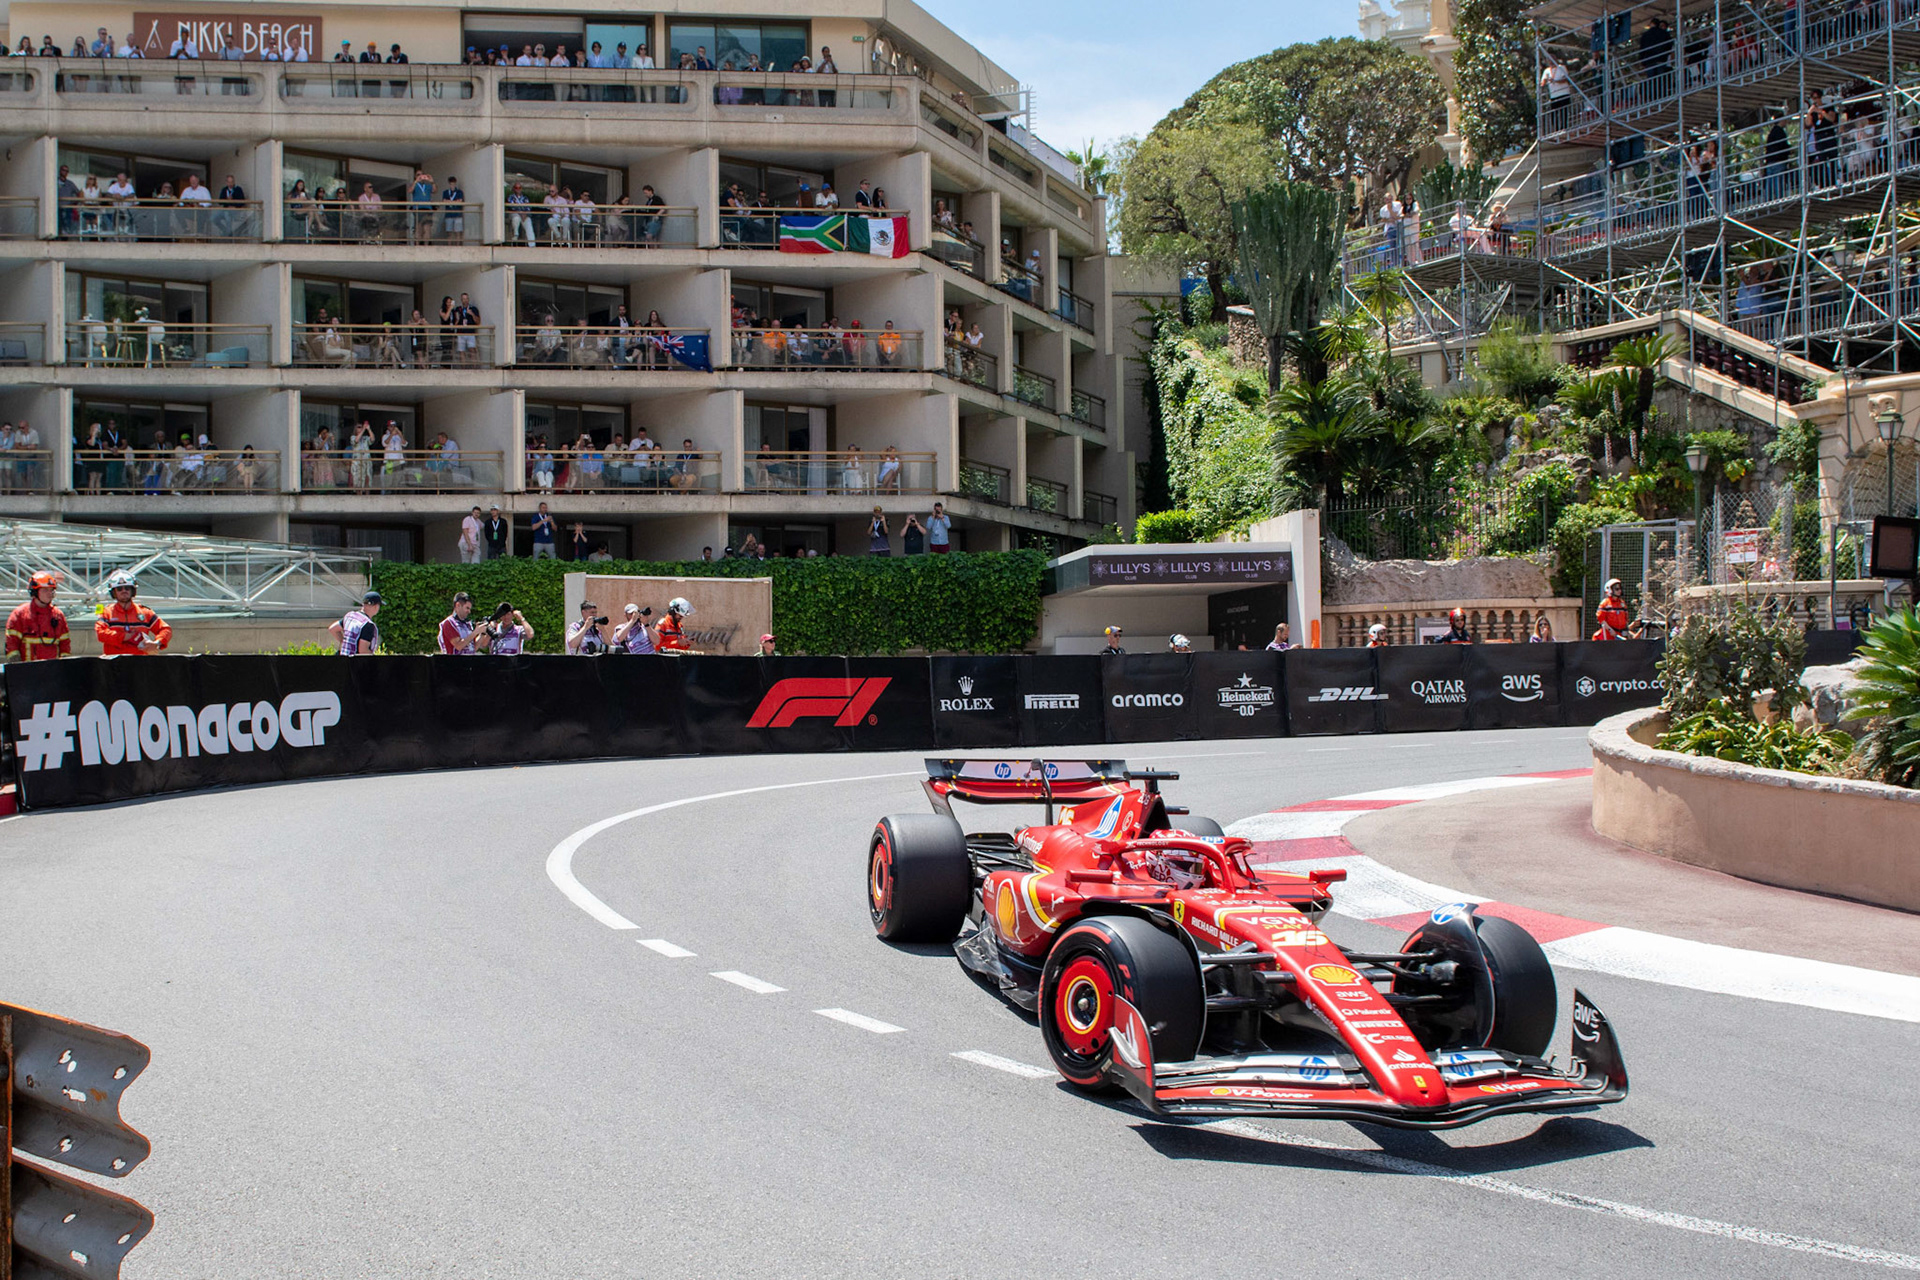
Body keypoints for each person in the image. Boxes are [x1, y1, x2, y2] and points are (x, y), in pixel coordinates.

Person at [6, 571, 70, 662]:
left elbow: (65, 645)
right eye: (45, 590)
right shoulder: (20, 615)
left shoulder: (58, 616)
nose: (49, 593)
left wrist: (64, 666)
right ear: (34, 592)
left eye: (51, 590)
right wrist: (18, 668)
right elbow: (11, 645)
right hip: (28, 671)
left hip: (51, 672)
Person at [329, 590, 382, 655]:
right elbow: (363, 651)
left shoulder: (350, 616)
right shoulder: (368, 625)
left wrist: (344, 642)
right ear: (376, 606)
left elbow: (333, 629)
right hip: (355, 663)